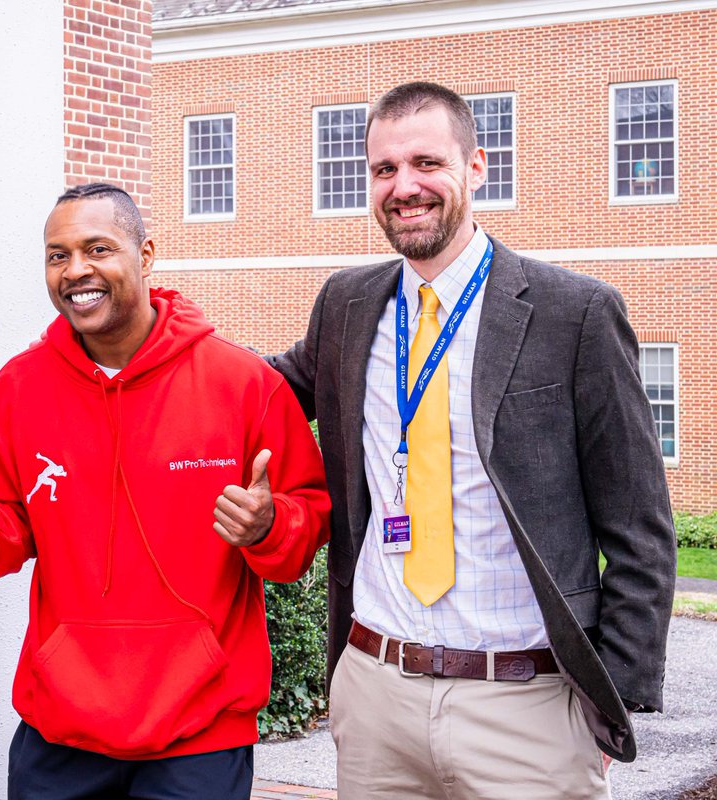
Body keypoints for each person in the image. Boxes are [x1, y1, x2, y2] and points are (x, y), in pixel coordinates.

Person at [269, 82, 676, 798]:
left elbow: (642, 528)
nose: (405, 187)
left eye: (426, 162)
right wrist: (144, 334)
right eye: (384, 169)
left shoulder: (573, 313)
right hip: (376, 695)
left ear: (476, 166)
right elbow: (256, 388)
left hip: (526, 707)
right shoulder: (347, 303)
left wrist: (611, 700)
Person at [0, 183, 331, 800]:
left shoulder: (243, 382)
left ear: (145, 256)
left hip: (200, 735)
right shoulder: (21, 387)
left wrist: (269, 524)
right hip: (60, 731)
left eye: (98, 249)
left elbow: (303, 529)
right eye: (57, 255)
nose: (76, 271)